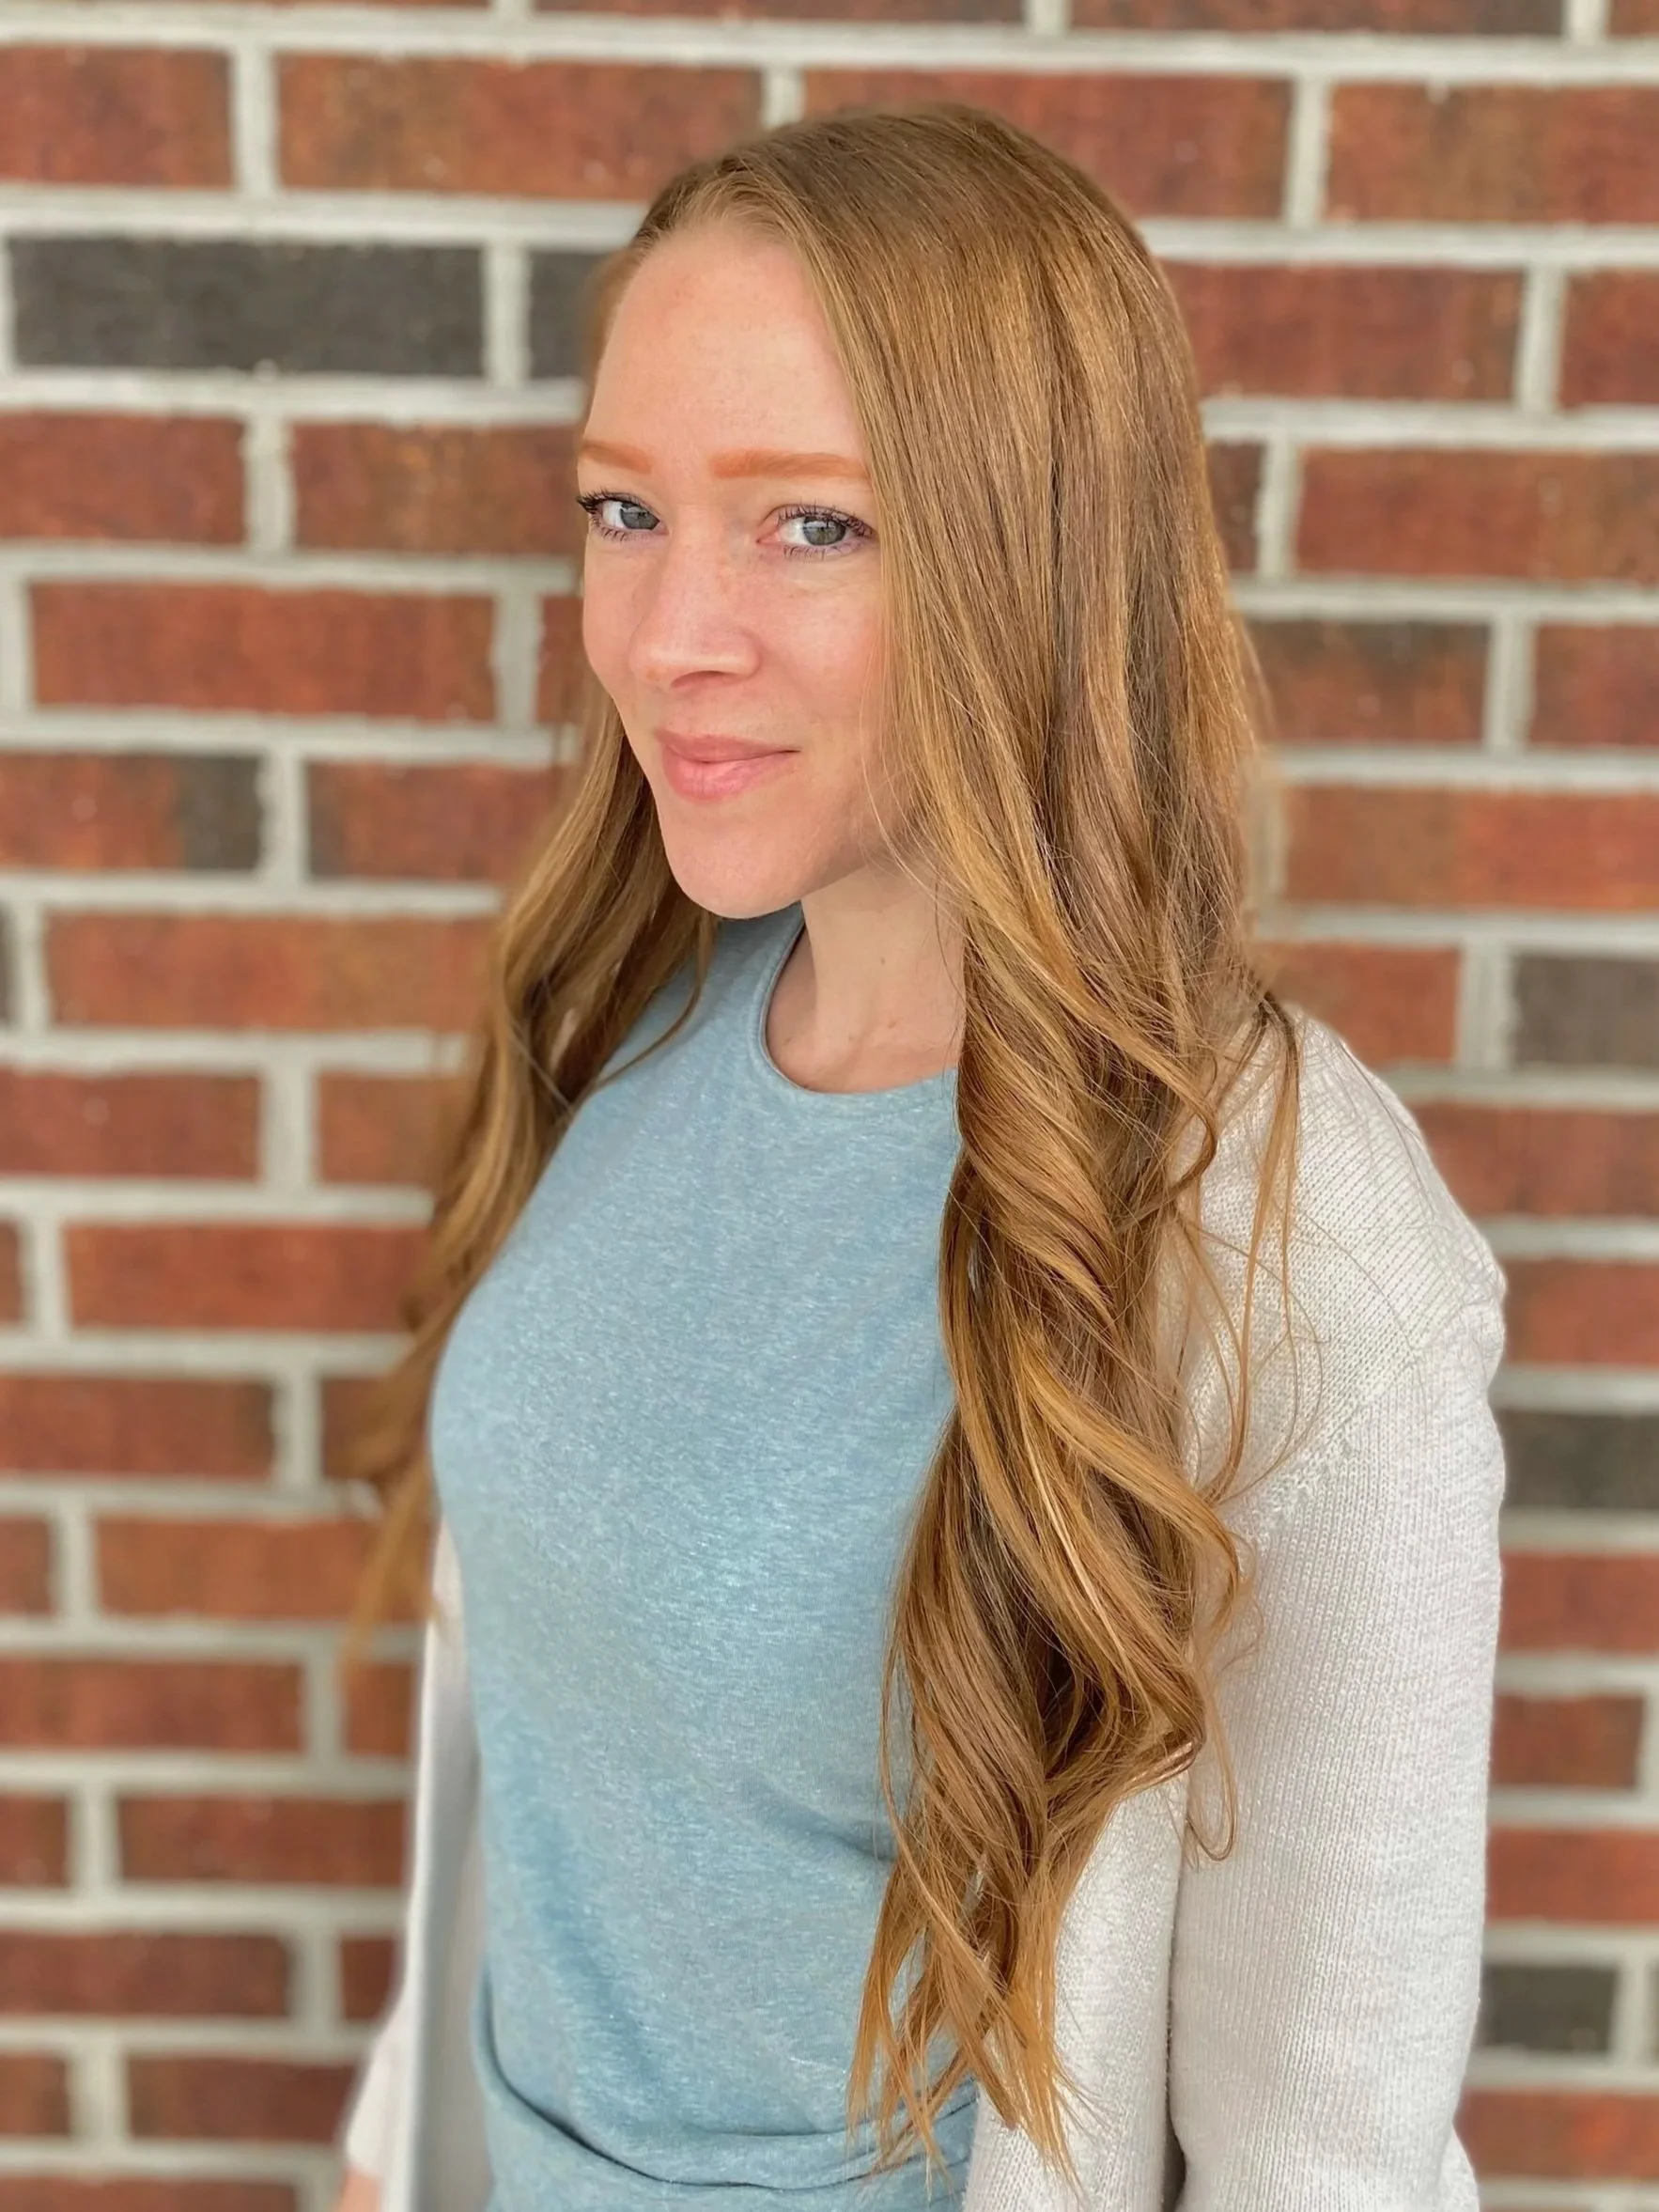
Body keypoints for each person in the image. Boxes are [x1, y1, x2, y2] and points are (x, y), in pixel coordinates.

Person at [328, 101, 1508, 2212]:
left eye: (809, 528)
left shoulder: (1288, 1243)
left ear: (1028, 562)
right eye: (622, 506)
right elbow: (556, 1737)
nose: (669, 631)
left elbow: (1322, 2152)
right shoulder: (653, 1017)